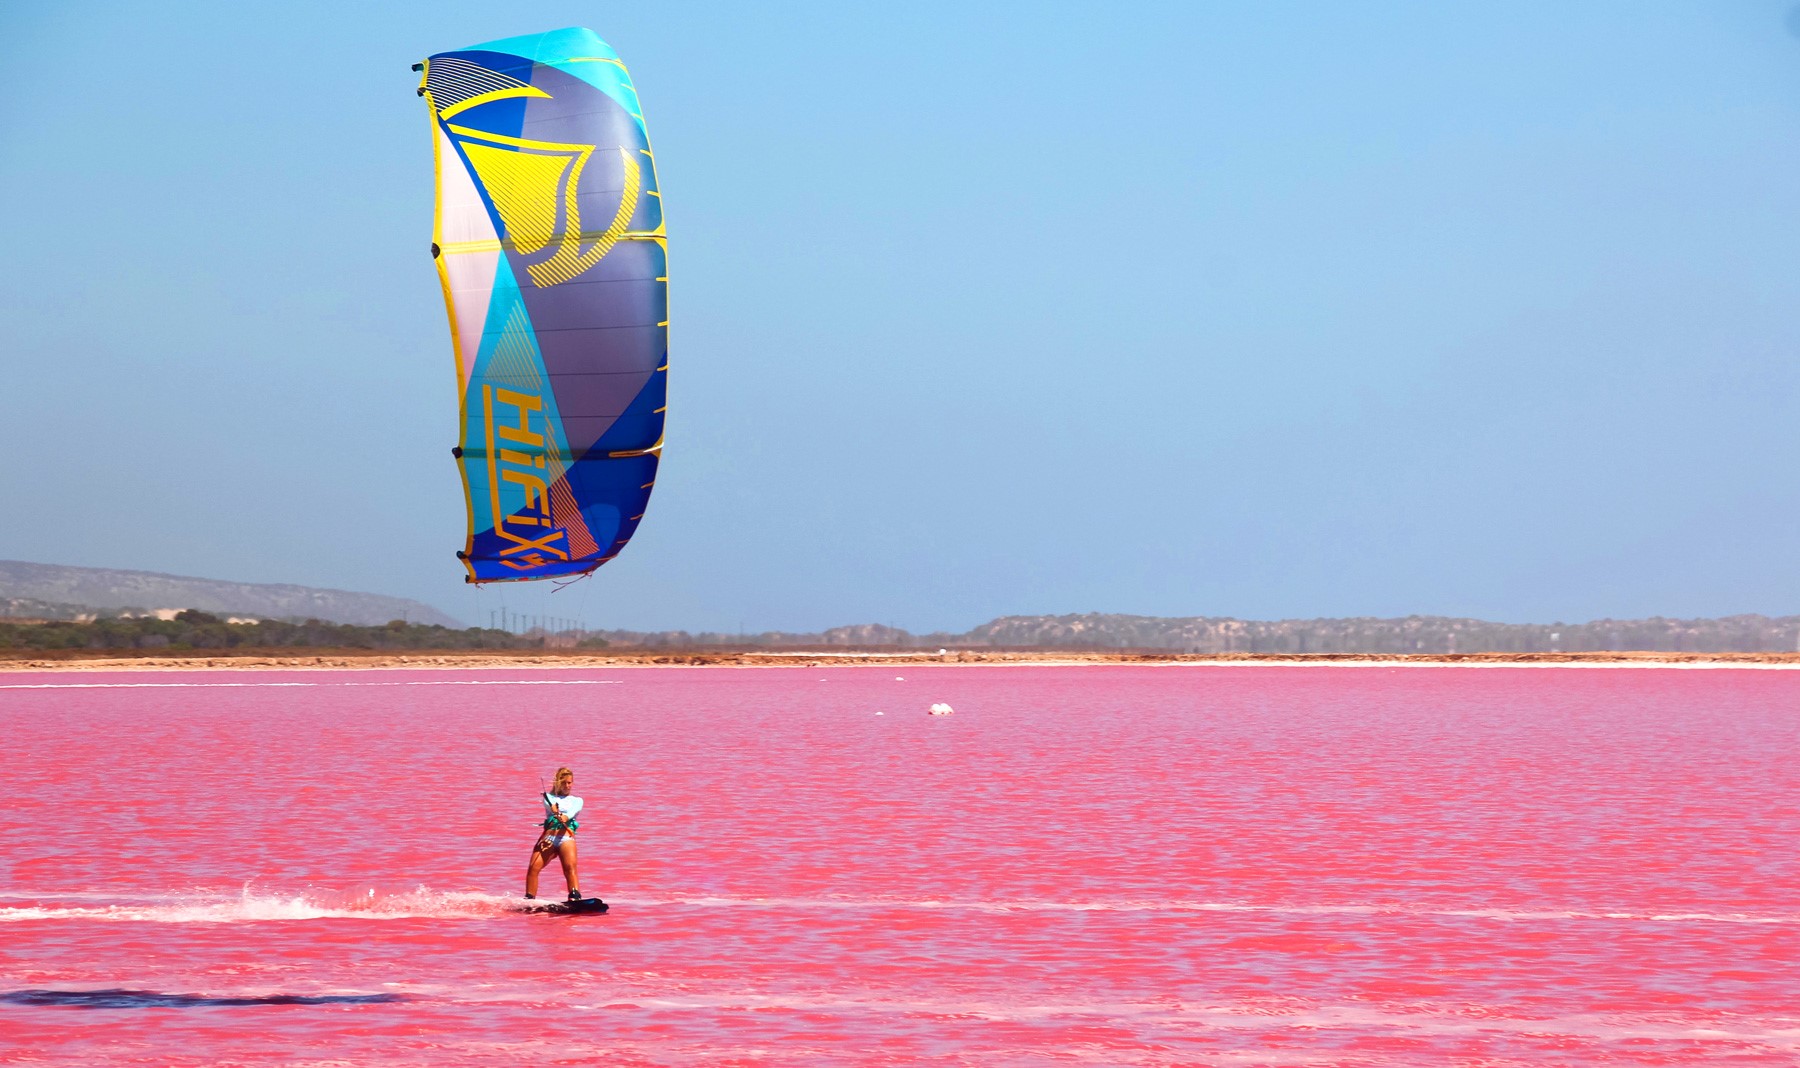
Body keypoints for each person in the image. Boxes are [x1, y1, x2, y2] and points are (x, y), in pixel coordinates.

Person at [526, 766, 584, 901]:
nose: (567, 786)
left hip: (566, 838)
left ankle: (574, 897)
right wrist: (554, 809)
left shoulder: (577, 800)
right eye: (564, 783)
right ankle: (529, 899)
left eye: (570, 783)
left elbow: (571, 813)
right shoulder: (549, 798)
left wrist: (563, 816)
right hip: (549, 838)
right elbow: (549, 805)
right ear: (558, 783)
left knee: (570, 868)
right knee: (533, 868)